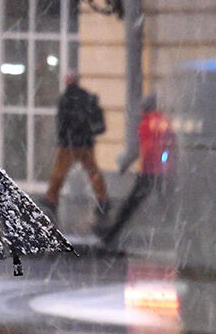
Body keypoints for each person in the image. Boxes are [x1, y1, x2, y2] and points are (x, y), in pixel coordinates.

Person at [100, 92, 175, 249]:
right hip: (165, 171)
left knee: (130, 205)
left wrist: (127, 166)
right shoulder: (165, 122)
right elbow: (171, 146)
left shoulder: (146, 124)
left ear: (146, 108)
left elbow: (144, 150)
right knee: (168, 204)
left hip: (149, 172)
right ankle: (179, 235)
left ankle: (111, 235)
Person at [43, 72, 110, 218]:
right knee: (93, 172)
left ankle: (51, 199)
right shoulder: (87, 98)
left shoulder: (65, 99)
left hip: (68, 144)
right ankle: (103, 199)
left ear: (68, 82)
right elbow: (96, 122)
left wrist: (63, 138)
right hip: (85, 143)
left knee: (59, 172)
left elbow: (61, 123)